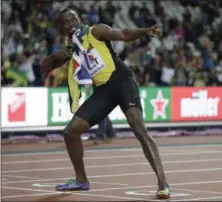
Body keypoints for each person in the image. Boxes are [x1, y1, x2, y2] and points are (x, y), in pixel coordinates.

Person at [40, 8, 170, 199]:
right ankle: (81, 180)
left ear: (80, 20)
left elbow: (123, 34)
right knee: (70, 132)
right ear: (62, 27)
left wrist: (145, 31)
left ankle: (163, 184)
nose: (70, 24)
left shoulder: (95, 31)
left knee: (139, 130)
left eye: (73, 19)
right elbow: (45, 68)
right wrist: (58, 56)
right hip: (103, 90)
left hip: (122, 81)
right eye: (66, 22)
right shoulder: (70, 46)